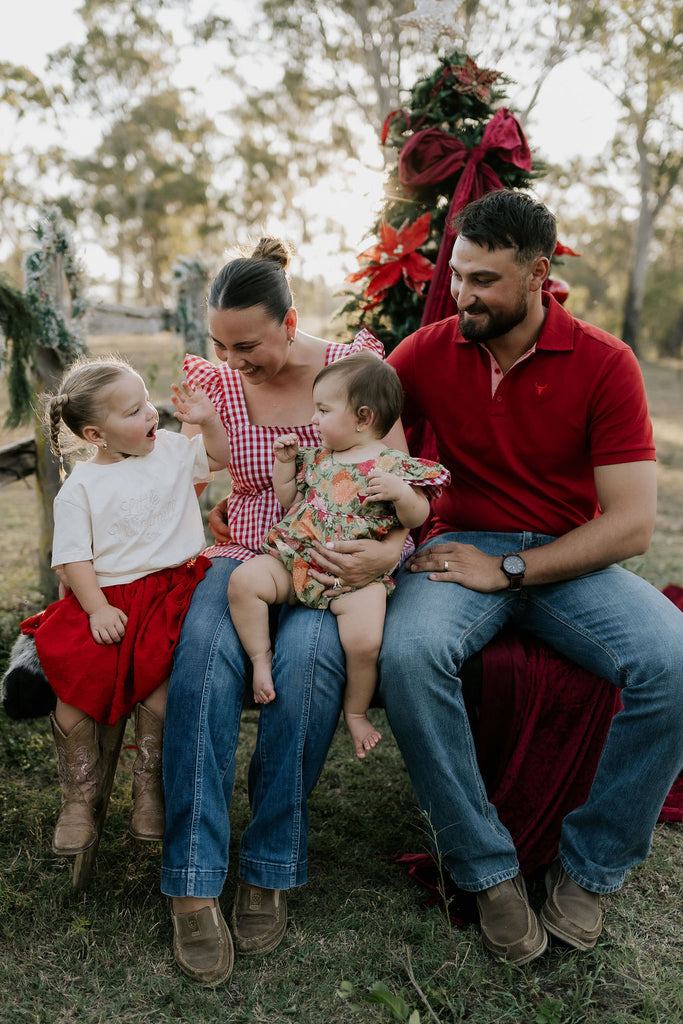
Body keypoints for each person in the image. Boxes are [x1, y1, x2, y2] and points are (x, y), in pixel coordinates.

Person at [339, 188, 683, 966]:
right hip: (456, 549)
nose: (463, 293)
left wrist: (513, 569)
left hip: (564, 558)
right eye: (458, 274)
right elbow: (356, 432)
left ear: (536, 275)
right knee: (408, 655)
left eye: (484, 280)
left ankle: (591, 868)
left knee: (674, 658)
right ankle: (486, 869)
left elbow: (629, 525)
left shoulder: (604, 363)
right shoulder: (427, 350)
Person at [161, 238, 409, 986]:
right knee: (201, 668)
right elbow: (194, 475)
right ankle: (194, 881)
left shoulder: (357, 370)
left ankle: (268, 863)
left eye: (248, 346)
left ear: (289, 320)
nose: (235, 361)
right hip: (244, 556)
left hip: (333, 564)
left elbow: (395, 479)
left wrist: (387, 555)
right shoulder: (218, 383)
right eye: (221, 346)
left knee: (304, 672)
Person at [21, 357, 229, 857]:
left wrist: (209, 420)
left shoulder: (174, 450)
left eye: (147, 403)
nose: (152, 415)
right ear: (97, 433)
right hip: (108, 598)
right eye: (134, 412)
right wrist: (94, 609)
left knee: (159, 681)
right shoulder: (81, 488)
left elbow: (219, 458)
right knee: (71, 674)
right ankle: (79, 794)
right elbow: (72, 559)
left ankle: (148, 787)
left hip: (171, 592)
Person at [227, 352, 449, 758]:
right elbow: (288, 498)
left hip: (356, 579)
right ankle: (261, 658)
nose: (313, 419)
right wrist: (282, 465)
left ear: (362, 417)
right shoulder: (319, 457)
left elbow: (418, 515)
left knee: (365, 642)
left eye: (323, 409)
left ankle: (357, 711)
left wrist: (401, 493)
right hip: (296, 562)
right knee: (244, 582)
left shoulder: (393, 465)